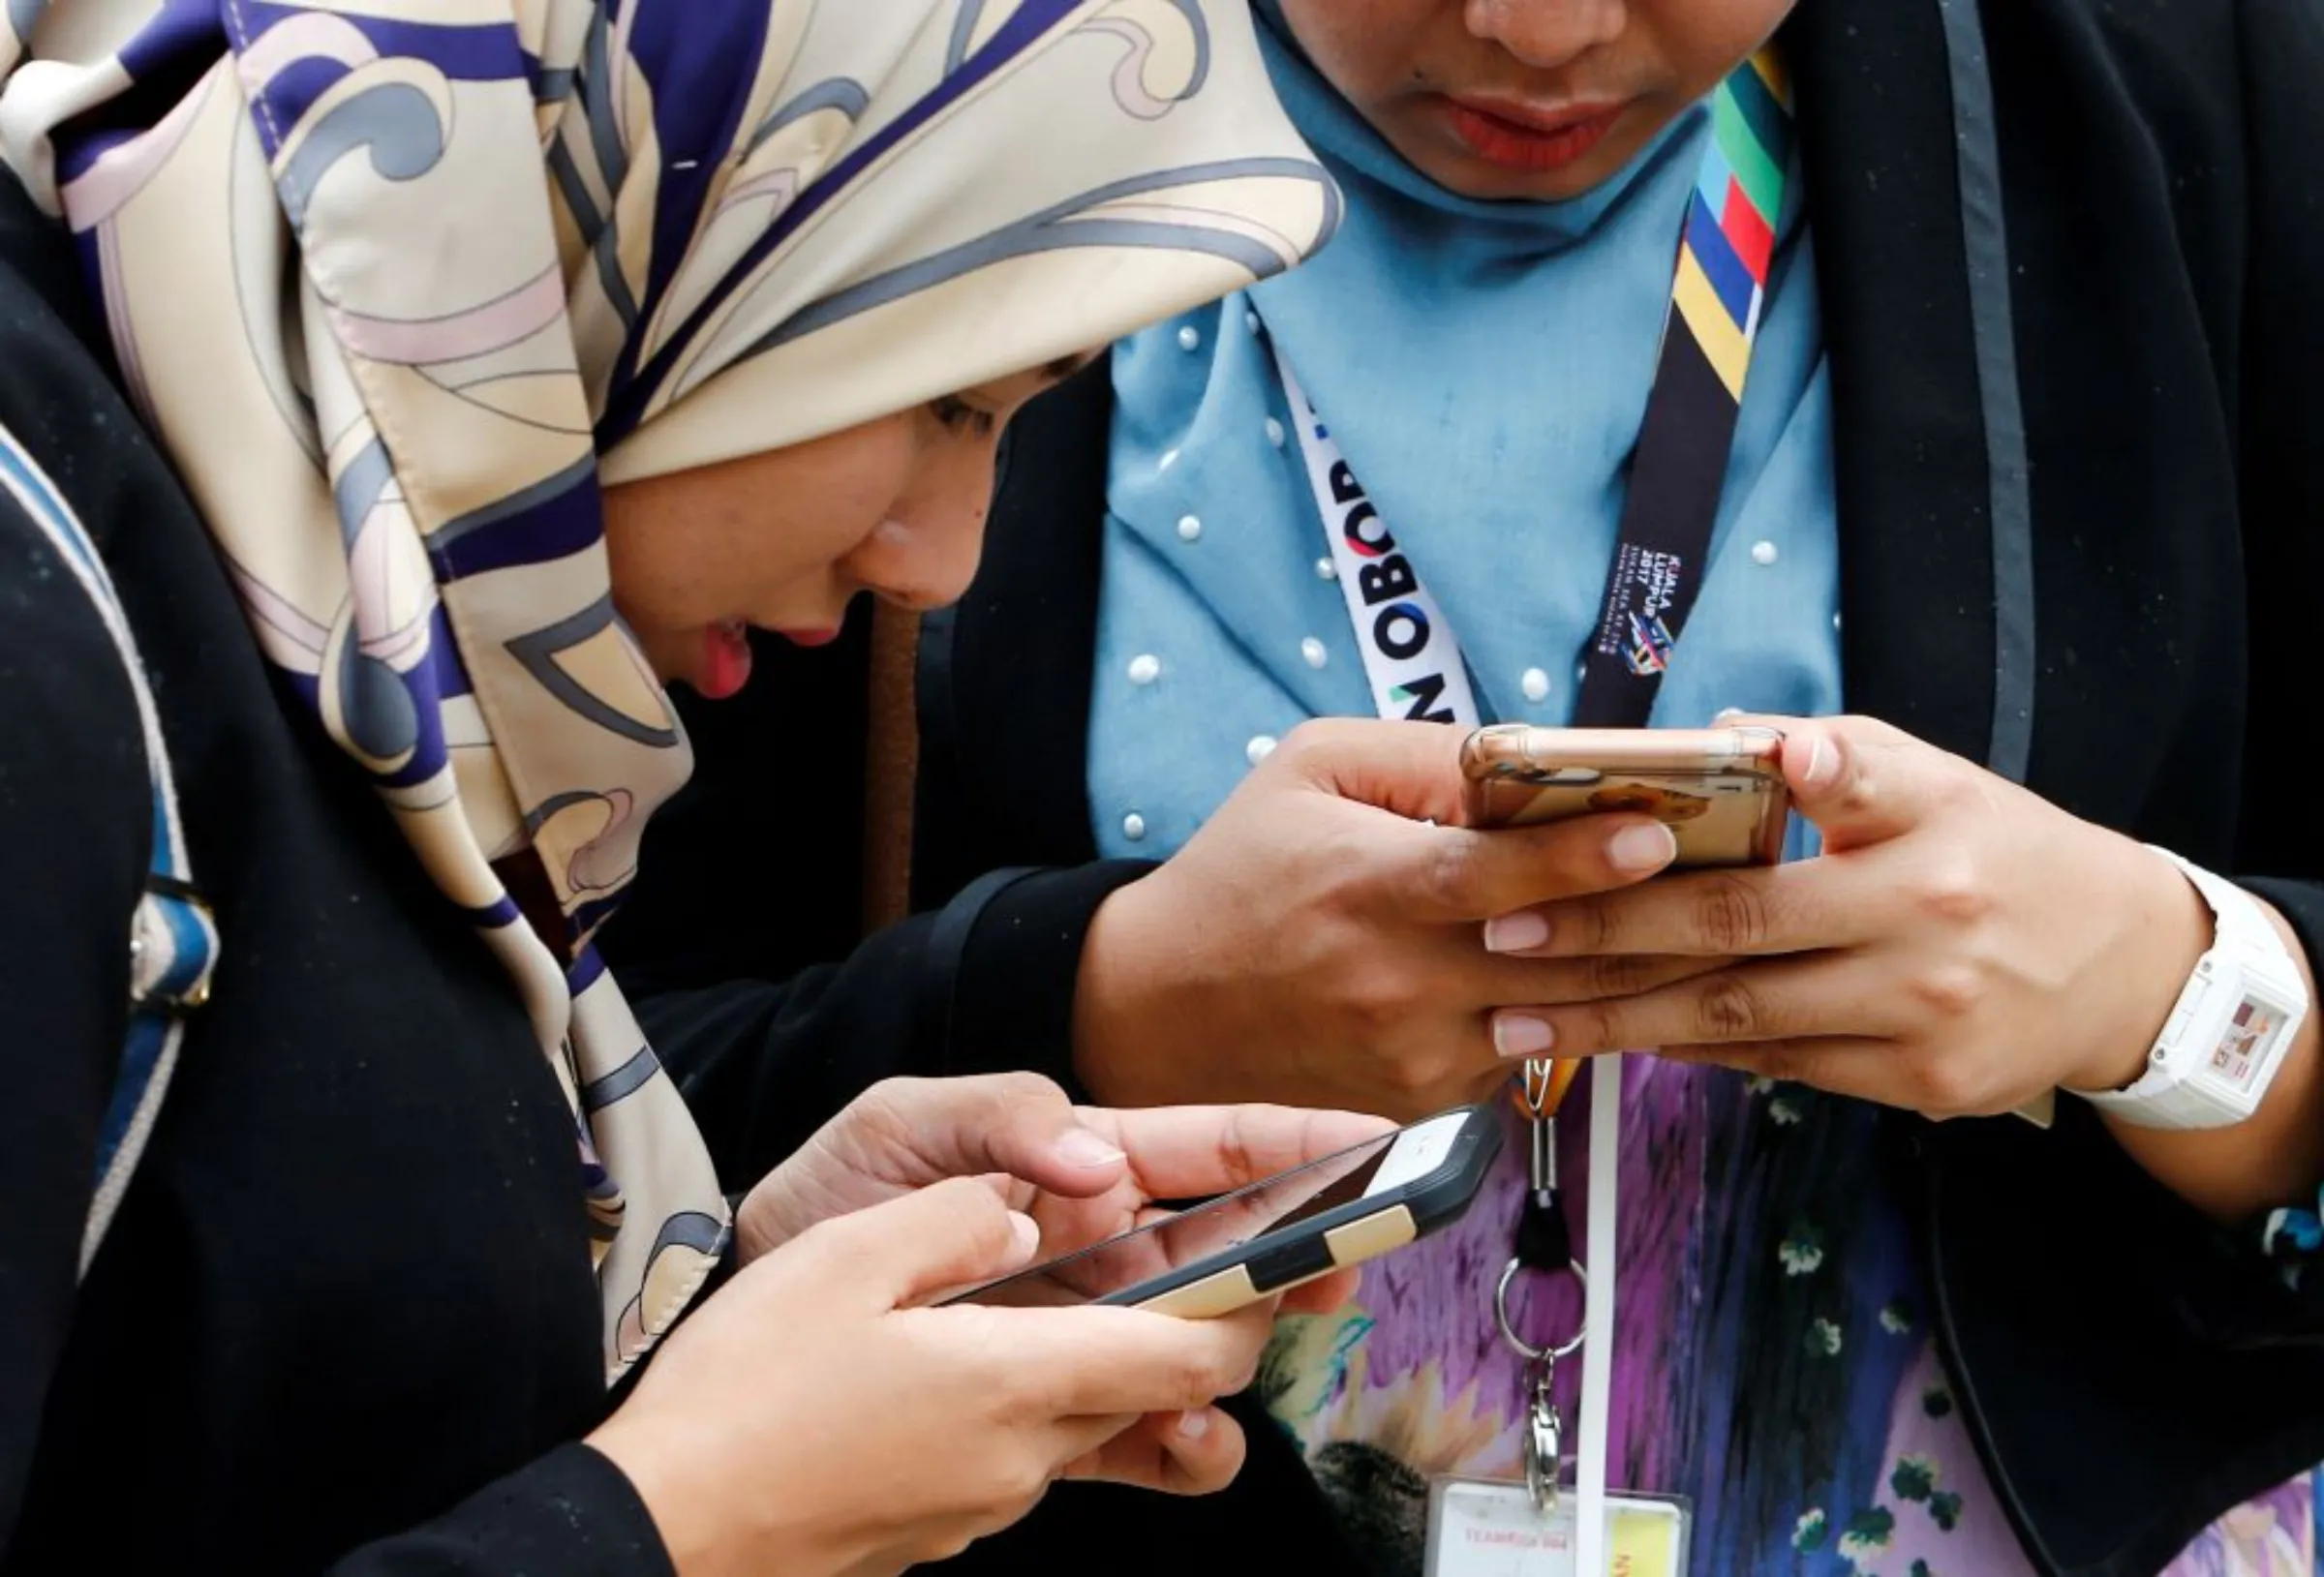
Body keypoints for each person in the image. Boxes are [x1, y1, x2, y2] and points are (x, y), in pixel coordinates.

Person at [613, 0, 2324, 1573]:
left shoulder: (2207, 75)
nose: (1543, 29)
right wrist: (1095, 1007)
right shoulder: (831, 102)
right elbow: (495, 1134)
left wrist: (2192, 1000)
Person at [0, 1, 1370, 1572]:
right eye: (946, 399)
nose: (944, 557)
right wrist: (698, 1518)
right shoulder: (44, 625)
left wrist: (730, 1293)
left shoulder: (357, 621)